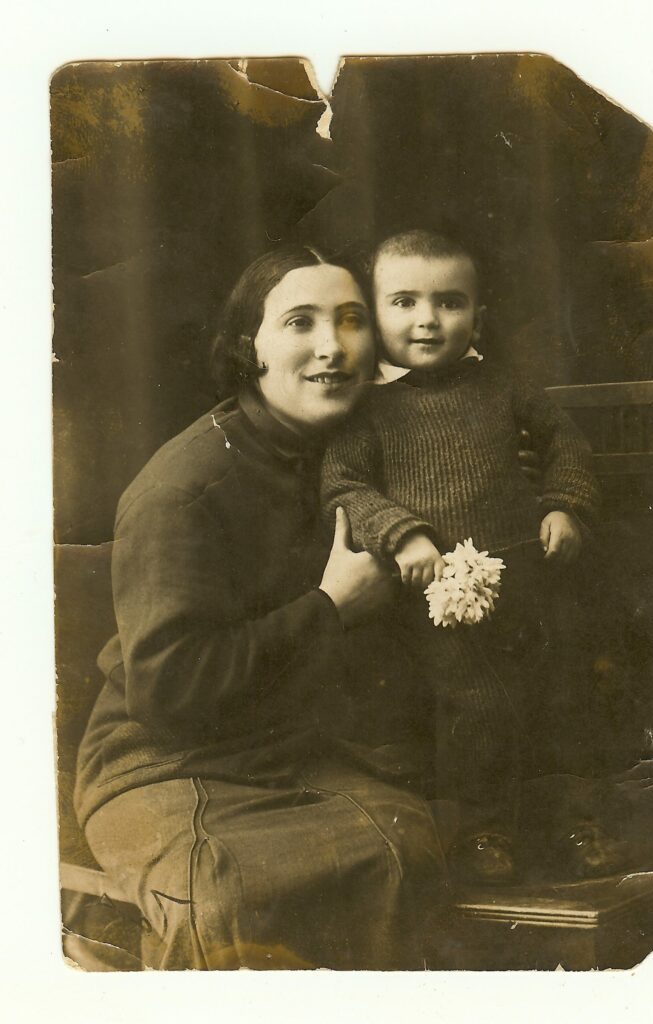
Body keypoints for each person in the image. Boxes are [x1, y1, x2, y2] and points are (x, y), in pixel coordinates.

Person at [73, 245, 449, 970]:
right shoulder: (186, 487)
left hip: (295, 751)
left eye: (349, 321)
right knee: (231, 894)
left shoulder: (357, 453)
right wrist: (329, 607)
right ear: (252, 347)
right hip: (161, 762)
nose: (330, 348)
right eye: (299, 322)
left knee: (405, 848)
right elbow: (169, 691)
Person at [321, 229, 621, 885]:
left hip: (533, 585)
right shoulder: (364, 410)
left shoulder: (505, 388)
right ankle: (483, 833)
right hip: (437, 603)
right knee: (473, 708)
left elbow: (564, 447)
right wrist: (403, 533)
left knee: (561, 698)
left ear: (476, 314)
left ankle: (574, 825)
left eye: (448, 302)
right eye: (403, 302)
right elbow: (343, 487)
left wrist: (563, 505)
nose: (427, 319)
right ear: (373, 313)